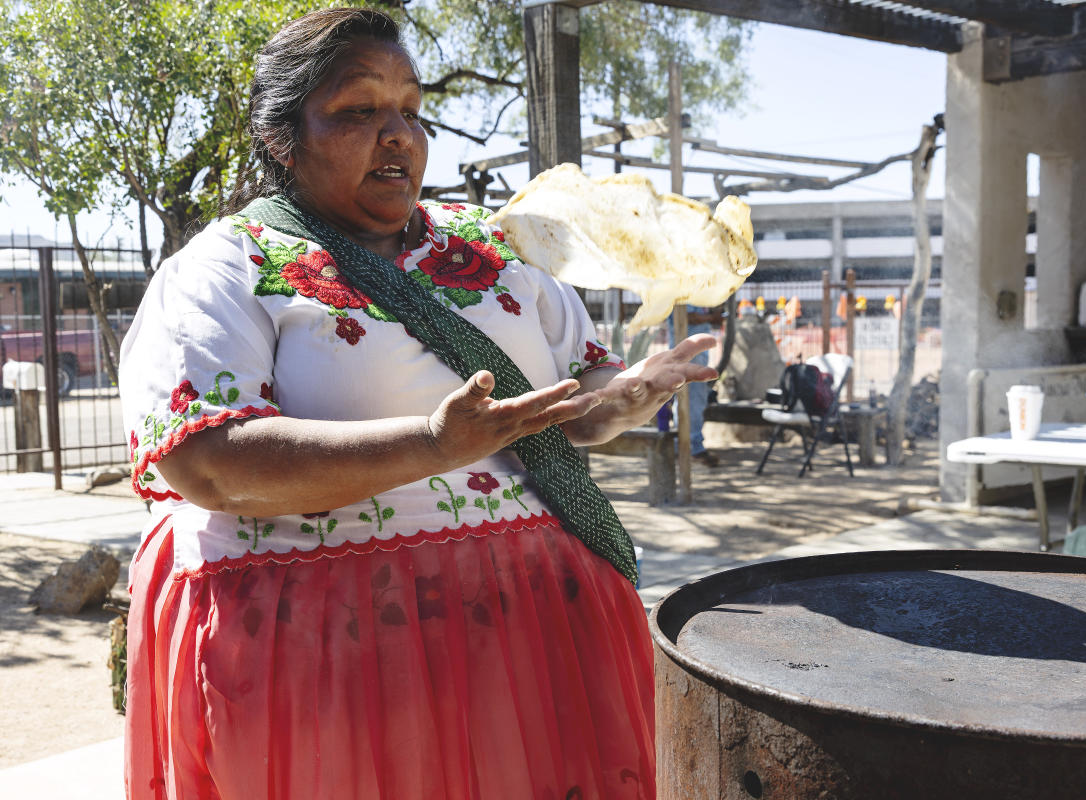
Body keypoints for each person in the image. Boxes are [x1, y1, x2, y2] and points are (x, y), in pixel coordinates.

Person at [119, 8, 717, 799]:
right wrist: (434, 444)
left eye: (411, 110)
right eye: (359, 111)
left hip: (535, 634)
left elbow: (581, 399)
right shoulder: (227, 268)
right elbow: (208, 463)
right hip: (329, 648)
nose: (398, 134)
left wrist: (628, 395)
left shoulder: (497, 245)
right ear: (281, 138)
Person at [668, 304, 724, 466]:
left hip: (696, 355)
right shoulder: (681, 290)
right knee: (690, 401)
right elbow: (687, 317)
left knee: (694, 401)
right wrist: (712, 317)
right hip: (686, 355)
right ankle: (691, 447)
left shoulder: (698, 294)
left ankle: (690, 445)